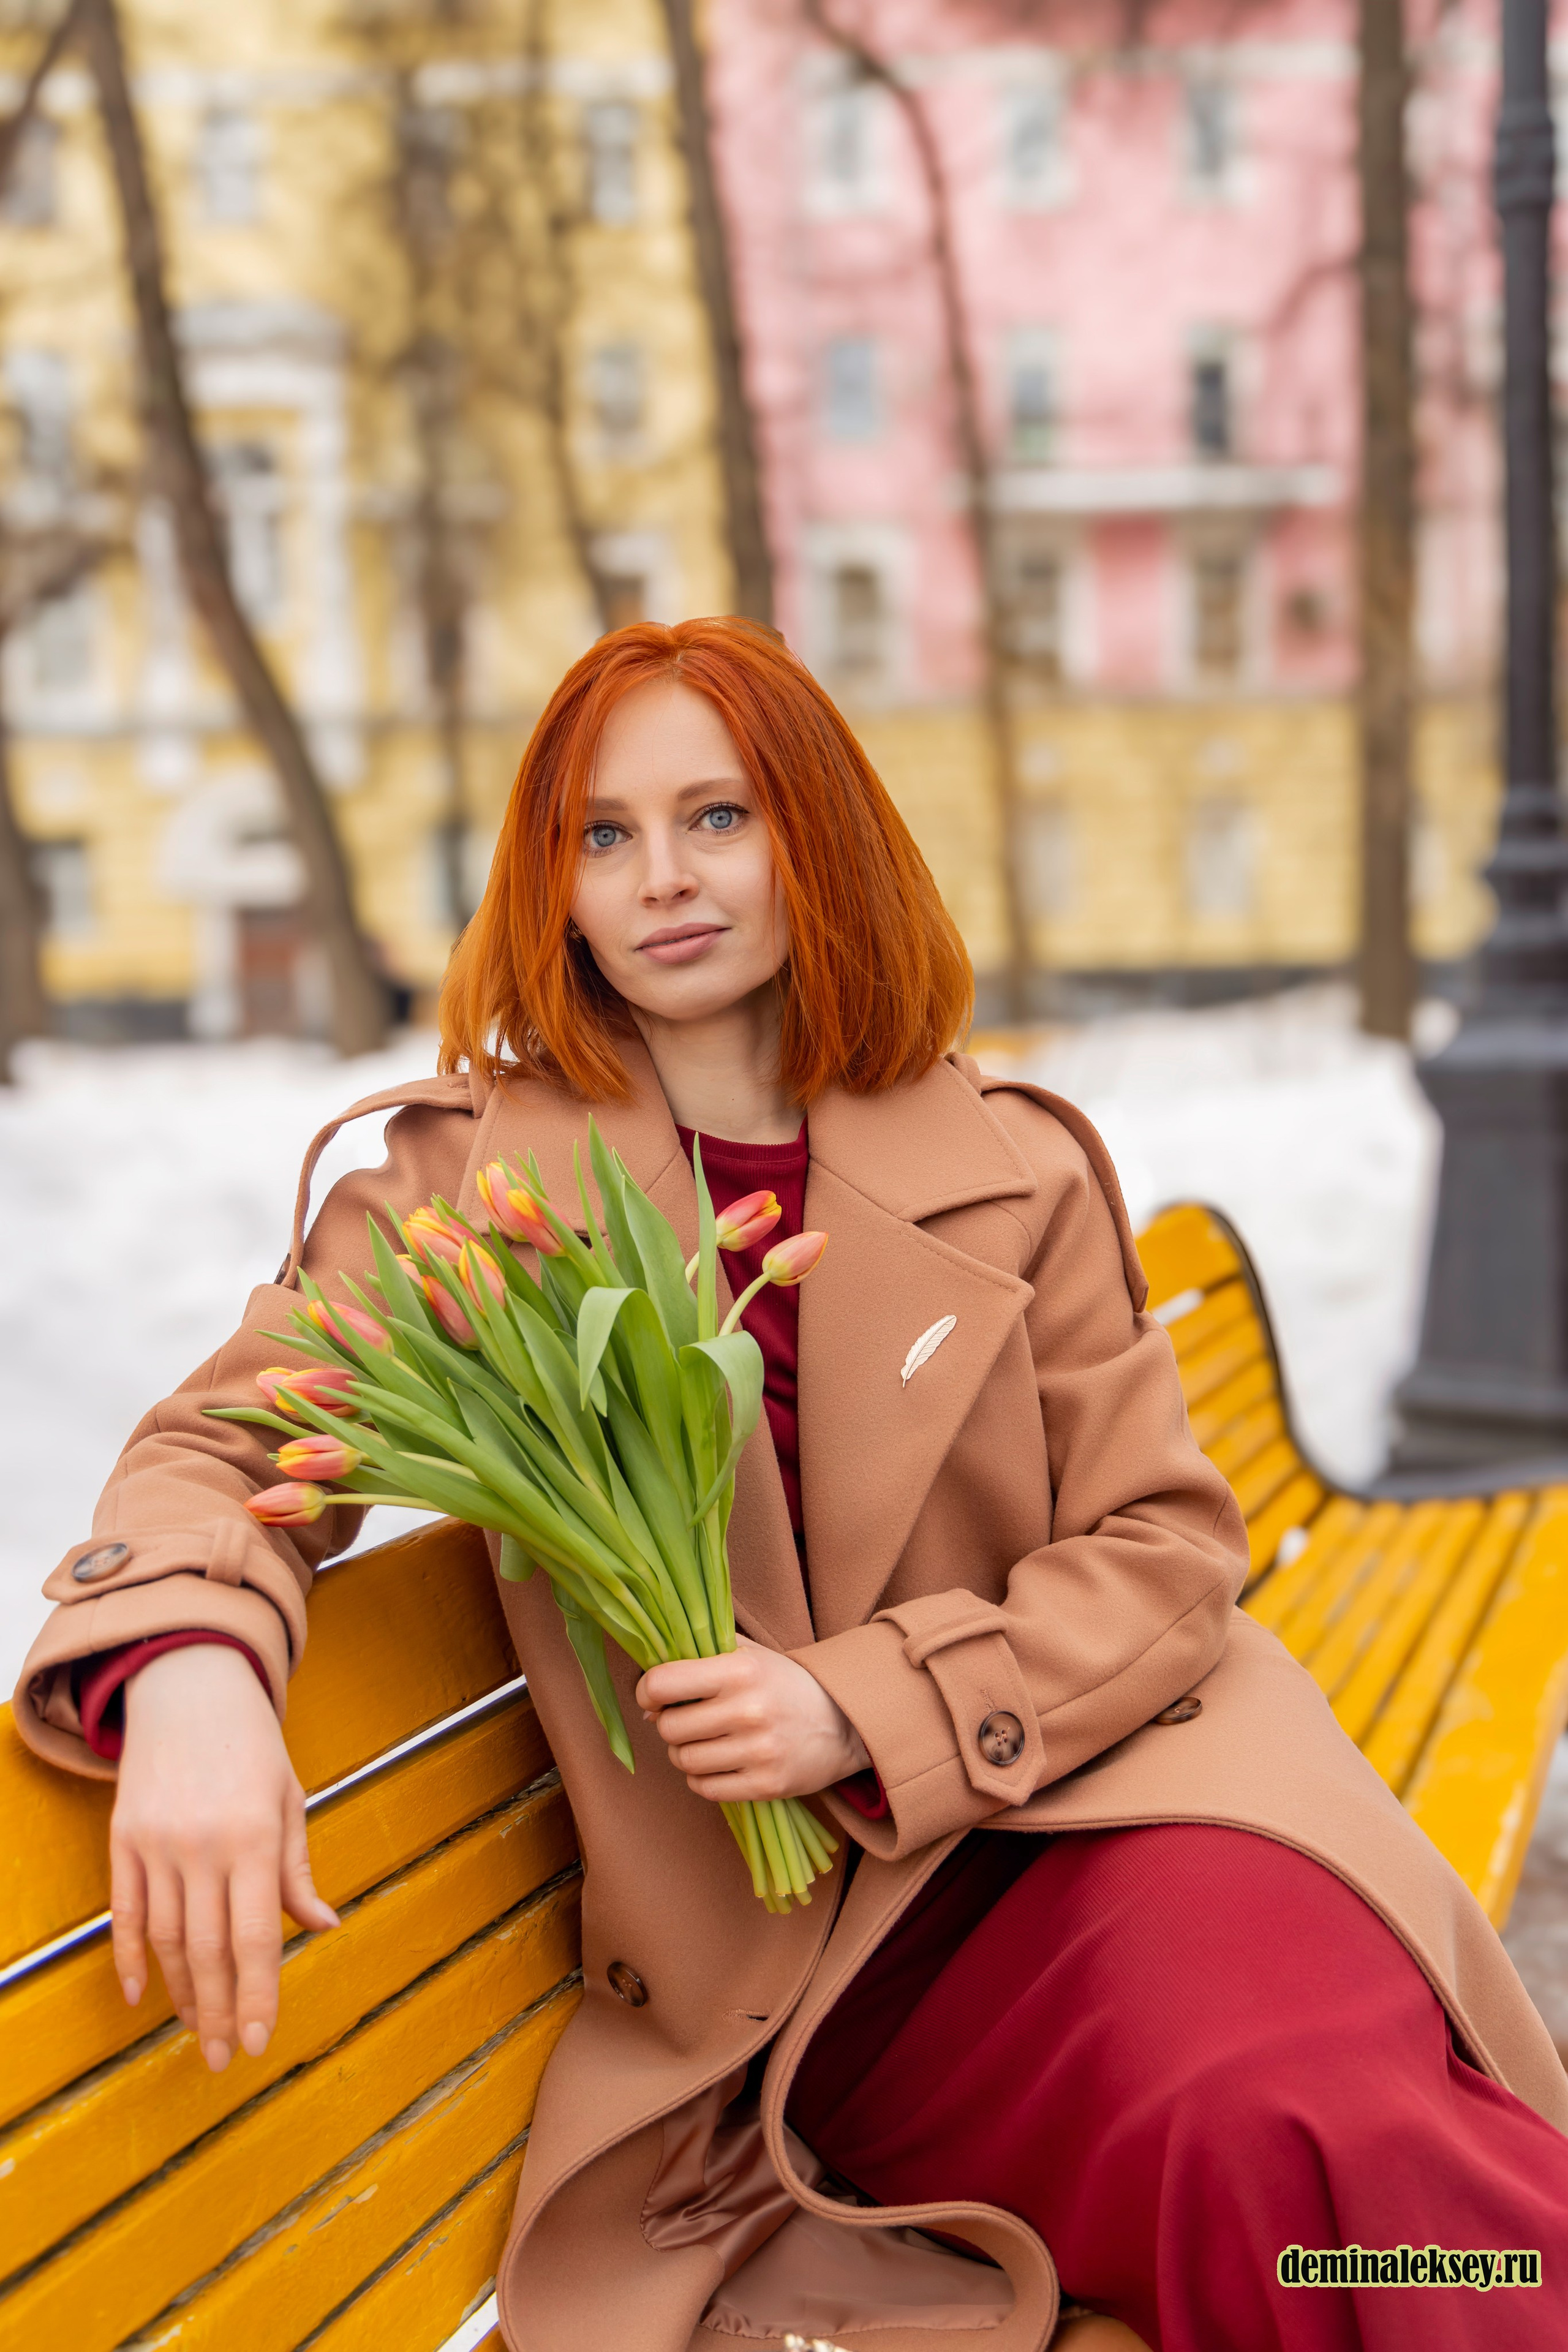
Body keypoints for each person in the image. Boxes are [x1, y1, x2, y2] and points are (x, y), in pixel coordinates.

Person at [16, 618, 1568, 2352]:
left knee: (1348, 2130)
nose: (662, 879)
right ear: (554, 884)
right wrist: (200, 1669)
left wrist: (862, 1705)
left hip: (1124, 1808)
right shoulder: (469, 1197)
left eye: (717, 817)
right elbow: (223, 1447)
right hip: (839, 1977)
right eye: (602, 835)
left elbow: (1165, 1547)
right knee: (1275, 2149)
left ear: (811, 832)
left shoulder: (1011, 1162)